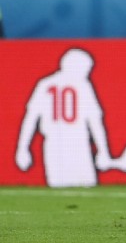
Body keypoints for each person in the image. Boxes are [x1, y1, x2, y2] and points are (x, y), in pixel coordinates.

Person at [15, 48, 113, 187]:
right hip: (77, 141)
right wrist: (103, 151)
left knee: (58, 185)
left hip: (53, 144)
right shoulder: (83, 85)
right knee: (86, 185)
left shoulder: (45, 83)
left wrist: (23, 148)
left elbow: (30, 118)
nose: (87, 73)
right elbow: (94, 121)